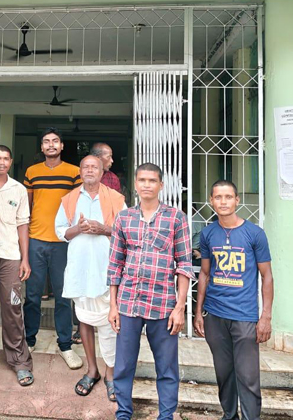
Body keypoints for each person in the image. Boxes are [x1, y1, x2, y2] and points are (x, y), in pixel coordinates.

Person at [108, 163, 194, 420]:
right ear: (135, 184)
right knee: (124, 365)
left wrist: (180, 307)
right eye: (142, 180)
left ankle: (165, 416)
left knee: (166, 367)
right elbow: (115, 264)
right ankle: (123, 413)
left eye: (152, 180)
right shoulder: (124, 218)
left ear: (161, 185)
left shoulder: (176, 218)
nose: (147, 185)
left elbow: (184, 265)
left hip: (163, 305)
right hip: (128, 303)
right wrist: (113, 305)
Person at [194, 180, 274, 420]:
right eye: (218, 197)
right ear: (211, 201)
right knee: (224, 373)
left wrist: (265, 316)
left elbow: (267, 276)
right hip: (215, 315)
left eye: (228, 197)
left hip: (244, 316)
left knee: (248, 377)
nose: (223, 202)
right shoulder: (208, 234)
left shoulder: (254, 234)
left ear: (237, 200)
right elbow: (205, 273)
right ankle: (229, 416)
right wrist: (198, 313)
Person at [56, 155, 126, 402]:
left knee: (109, 323)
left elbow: (126, 231)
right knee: (84, 319)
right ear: (80, 171)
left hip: (107, 269)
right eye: (85, 167)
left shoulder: (116, 198)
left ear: (102, 171)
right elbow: (60, 231)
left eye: (94, 167)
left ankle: (110, 374)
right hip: (80, 269)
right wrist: (79, 228)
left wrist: (103, 229)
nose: (89, 170)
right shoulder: (70, 199)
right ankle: (92, 370)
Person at [23, 127, 83, 369]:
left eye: (55, 141)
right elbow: (26, 207)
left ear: (61, 146)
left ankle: (65, 345)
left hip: (63, 242)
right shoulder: (32, 172)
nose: (50, 145)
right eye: (46, 141)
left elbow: (78, 206)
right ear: (42, 147)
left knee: (63, 296)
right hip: (36, 239)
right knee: (32, 295)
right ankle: (29, 340)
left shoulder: (74, 172)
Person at [0, 145, 35, 387]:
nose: (2, 162)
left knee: (12, 307)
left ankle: (19, 361)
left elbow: (23, 224)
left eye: (6, 158)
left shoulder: (19, 189)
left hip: (11, 256)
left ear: (11, 162)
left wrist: (25, 258)